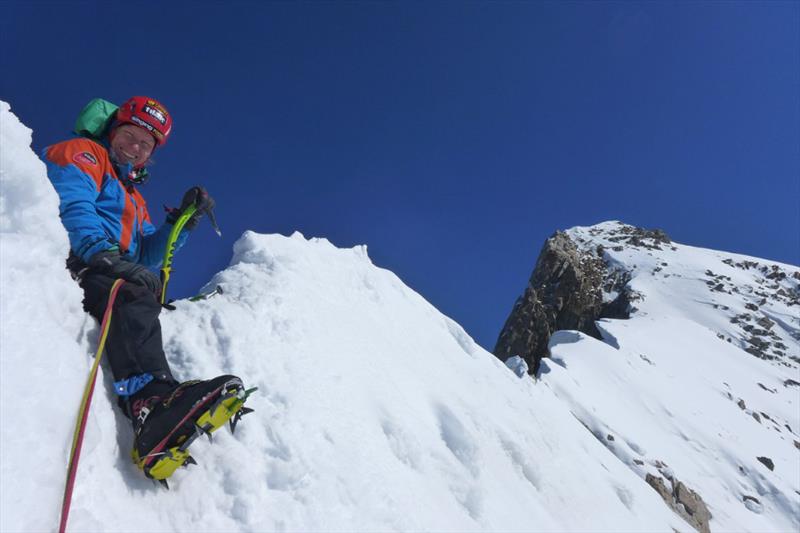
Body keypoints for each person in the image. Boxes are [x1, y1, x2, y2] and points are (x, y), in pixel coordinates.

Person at [43, 96, 250, 482]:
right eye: (130, 135)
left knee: (136, 289)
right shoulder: (84, 152)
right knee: (130, 291)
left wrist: (181, 223)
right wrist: (100, 253)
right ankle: (150, 405)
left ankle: (162, 411)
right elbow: (74, 203)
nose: (135, 147)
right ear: (113, 129)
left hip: (108, 264)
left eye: (145, 144)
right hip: (77, 257)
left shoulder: (134, 198)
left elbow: (147, 254)